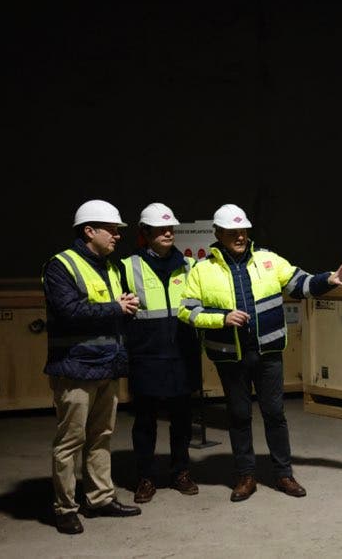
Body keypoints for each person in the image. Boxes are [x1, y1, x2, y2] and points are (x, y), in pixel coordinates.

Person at [178, 204, 342, 502]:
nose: (240, 236)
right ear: (219, 234)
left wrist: (327, 280)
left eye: (244, 230)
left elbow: (299, 282)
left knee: (274, 413)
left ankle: (283, 474)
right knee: (239, 415)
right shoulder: (202, 271)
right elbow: (187, 310)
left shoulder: (268, 260)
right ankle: (246, 476)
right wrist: (222, 318)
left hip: (268, 352)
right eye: (233, 232)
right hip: (229, 356)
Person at [42, 200, 142, 534]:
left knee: (101, 437)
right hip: (74, 368)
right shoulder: (60, 265)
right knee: (70, 441)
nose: (117, 236)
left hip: (106, 366)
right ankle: (65, 508)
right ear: (89, 231)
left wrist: (124, 310)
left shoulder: (112, 267)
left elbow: (116, 312)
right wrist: (116, 307)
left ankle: (99, 499)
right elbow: (69, 311)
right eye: (112, 230)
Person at [121, 203, 201, 503]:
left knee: (182, 419)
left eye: (171, 228)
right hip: (145, 356)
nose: (169, 233)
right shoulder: (127, 267)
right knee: (145, 421)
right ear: (145, 232)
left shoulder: (190, 266)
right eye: (161, 228)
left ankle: (181, 471)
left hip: (183, 355)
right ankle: (145, 477)